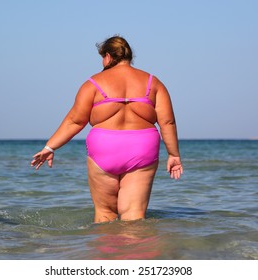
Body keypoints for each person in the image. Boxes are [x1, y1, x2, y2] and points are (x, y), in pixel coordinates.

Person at [31, 36, 183, 223]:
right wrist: (173, 154)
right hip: (142, 148)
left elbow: (75, 121)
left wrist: (50, 147)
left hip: (104, 149)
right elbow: (167, 122)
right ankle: (136, 251)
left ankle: (106, 253)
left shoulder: (93, 84)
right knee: (134, 216)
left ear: (108, 56)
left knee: (105, 214)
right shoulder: (153, 83)